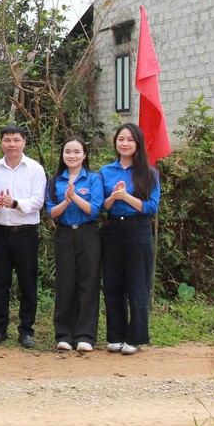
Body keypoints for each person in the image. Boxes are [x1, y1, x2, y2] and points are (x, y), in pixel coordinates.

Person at [100, 123, 161, 355]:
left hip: (138, 230)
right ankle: (115, 335)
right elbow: (101, 207)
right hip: (113, 229)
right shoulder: (106, 171)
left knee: (137, 283)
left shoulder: (149, 172)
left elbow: (151, 207)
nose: (124, 143)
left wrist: (126, 196)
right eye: (120, 139)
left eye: (130, 140)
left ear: (138, 144)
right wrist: (114, 198)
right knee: (113, 284)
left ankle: (135, 337)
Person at [0, 126, 47, 349]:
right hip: (0, 232)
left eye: (16, 140)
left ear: (24, 142)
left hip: (26, 233)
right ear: (1, 143)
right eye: (7, 140)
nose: (11, 144)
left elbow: (38, 200)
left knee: (27, 283)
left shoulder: (35, 169)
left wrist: (15, 204)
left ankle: (26, 331)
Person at [45, 137, 104, 353]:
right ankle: (64, 335)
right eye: (68, 152)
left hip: (88, 234)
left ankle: (85, 335)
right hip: (64, 234)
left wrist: (75, 198)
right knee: (65, 283)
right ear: (63, 155)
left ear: (84, 155)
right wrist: (66, 201)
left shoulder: (93, 179)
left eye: (77, 152)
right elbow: (50, 211)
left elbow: (95, 209)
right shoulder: (55, 181)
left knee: (88, 284)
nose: (72, 156)